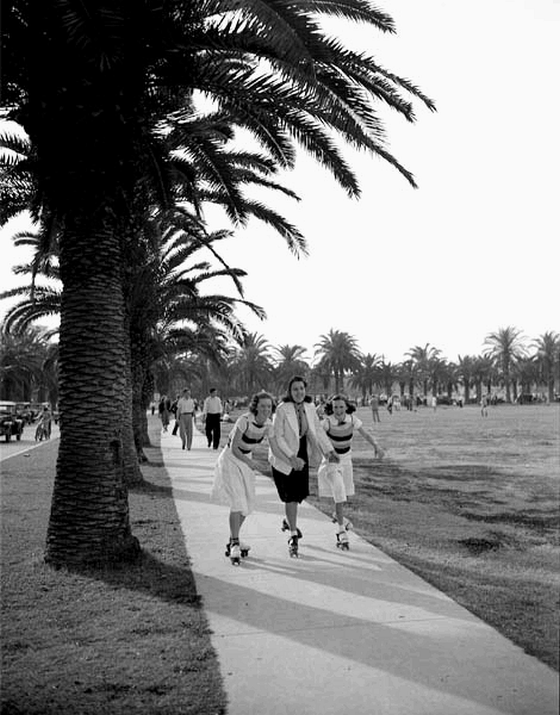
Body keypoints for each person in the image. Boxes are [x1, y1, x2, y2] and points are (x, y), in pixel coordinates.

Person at [268, 375, 339, 557]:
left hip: (302, 453)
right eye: (295, 389)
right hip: (284, 455)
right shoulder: (282, 409)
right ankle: (293, 536)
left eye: (301, 388)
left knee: (298, 495)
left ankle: (288, 521)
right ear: (289, 392)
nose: (299, 392)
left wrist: (330, 451)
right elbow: (279, 437)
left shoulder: (310, 407)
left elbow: (318, 430)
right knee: (290, 496)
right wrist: (291, 457)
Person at [211, 391, 276, 565]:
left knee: (248, 504)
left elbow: (275, 448)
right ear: (255, 406)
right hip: (231, 460)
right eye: (262, 406)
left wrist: (291, 460)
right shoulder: (244, 421)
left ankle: (234, 538)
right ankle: (234, 543)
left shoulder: (269, 424)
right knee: (238, 502)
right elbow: (234, 448)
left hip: (246, 461)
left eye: (269, 406)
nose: (266, 409)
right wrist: (250, 462)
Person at [318, 395, 385, 550]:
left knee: (344, 495)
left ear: (346, 407)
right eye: (335, 407)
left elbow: (365, 433)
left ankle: (337, 516)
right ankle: (341, 530)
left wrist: (376, 446)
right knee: (339, 491)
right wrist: (327, 454)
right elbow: (318, 439)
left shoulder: (352, 420)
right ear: (331, 408)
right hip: (332, 462)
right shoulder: (327, 422)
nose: (338, 410)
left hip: (347, 461)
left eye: (341, 407)